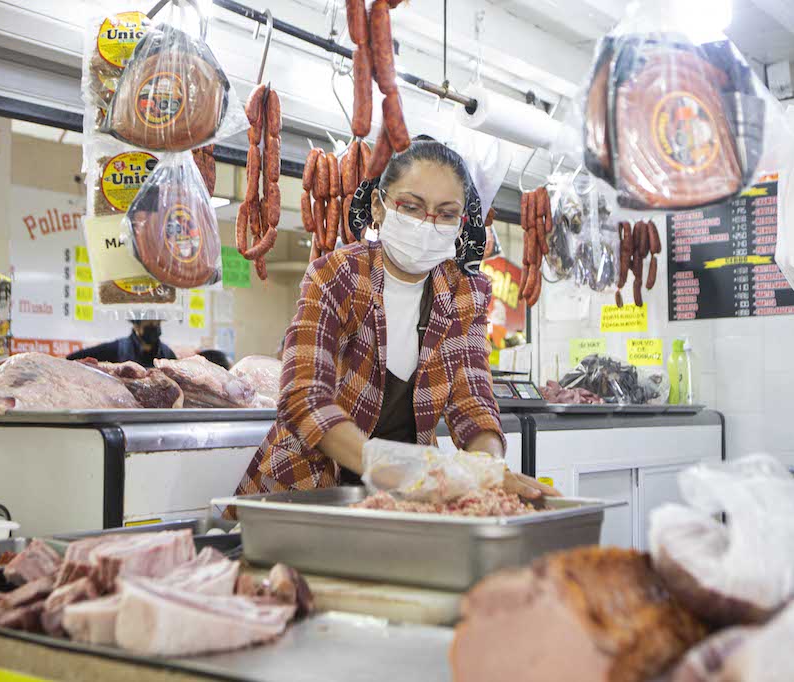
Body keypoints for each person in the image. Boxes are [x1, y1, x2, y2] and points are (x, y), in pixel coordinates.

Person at [236, 137, 556, 500]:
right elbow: (303, 397)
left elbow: (473, 404)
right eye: (412, 207)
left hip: (408, 495)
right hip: (308, 485)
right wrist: (387, 465)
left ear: (461, 223)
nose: (427, 224)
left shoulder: (465, 293)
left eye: (446, 214)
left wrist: (488, 471)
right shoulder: (336, 275)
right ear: (378, 206)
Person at [67, 319, 176, 368]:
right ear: (136, 326)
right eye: (150, 324)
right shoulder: (117, 348)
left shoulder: (167, 353)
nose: (155, 327)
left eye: (157, 323)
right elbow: (72, 359)